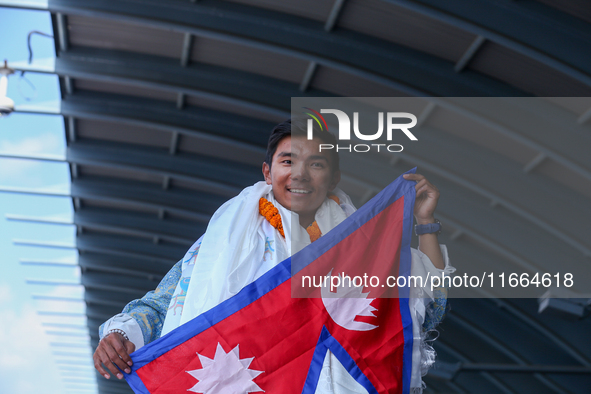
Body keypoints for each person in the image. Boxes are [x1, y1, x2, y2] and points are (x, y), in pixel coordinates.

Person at [93, 118, 453, 392]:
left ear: (333, 177)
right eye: (287, 161)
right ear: (268, 172)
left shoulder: (362, 247)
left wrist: (424, 223)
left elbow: (427, 310)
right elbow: (162, 304)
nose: (300, 174)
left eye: (316, 164)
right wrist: (121, 336)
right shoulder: (224, 241)